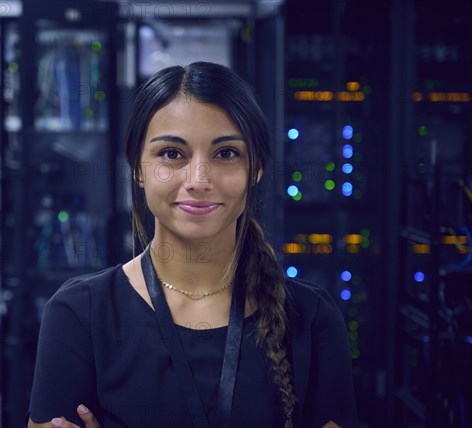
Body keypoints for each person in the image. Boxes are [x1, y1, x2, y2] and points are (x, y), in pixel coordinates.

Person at [26, 61, 359, 428]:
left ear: (257, 168)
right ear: (137, 167)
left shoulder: (310, 318)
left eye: (226, 153)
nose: (199, 180)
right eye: (172, 153)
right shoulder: (80, 315)